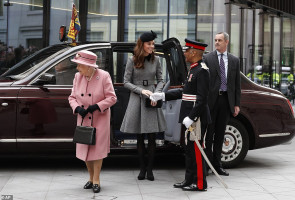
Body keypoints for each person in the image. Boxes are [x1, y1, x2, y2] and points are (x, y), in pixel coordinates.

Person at [151, 39, 211, 191]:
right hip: (189, 117)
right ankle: (188, 179)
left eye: (186, 51)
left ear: (193, 52)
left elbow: (202, 99)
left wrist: (191, 117)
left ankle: (200, 184)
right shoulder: (193, 69)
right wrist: (162, 96)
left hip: (196, 118)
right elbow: (184, 92)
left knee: (196, 151)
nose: (184, 54)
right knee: (189, 150)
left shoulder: (202, 71)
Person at [120, 30, 166, 181]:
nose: (152, 46)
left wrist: (156, 94)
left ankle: (150, 170)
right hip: (137, 97)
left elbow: (161, 80)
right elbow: (126, 82)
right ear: (142, 45)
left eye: (153, 44)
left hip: (152, 97)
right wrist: (141, 91)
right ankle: (142, 168)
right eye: (149, 44)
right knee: (139, 137)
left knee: (152, 136)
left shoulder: (157, 60)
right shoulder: (132, 60)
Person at [68, 50, 117, 193]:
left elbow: (112, 98)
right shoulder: (77, 77)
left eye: (79, 65)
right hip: (83, 119)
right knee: (85, 151)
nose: (77, 68)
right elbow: (72, 97)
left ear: (89, 66)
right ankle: (90, 178)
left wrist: (96, 106)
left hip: (99, 118)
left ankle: (96, 179)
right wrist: (77, 108)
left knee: (97, 151)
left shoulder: (103, 76)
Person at [204, 32, 241, 176]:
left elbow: (236, 84)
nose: (217, 42)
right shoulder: (207, 58)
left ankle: (217, 165)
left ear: (226, 42)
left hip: (226, 101)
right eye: (215, 40)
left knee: (220, 134)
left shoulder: (234, 60)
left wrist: (237, 104)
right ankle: (207, 165)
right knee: (209, 135)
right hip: (211, 101)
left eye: (220, 40)